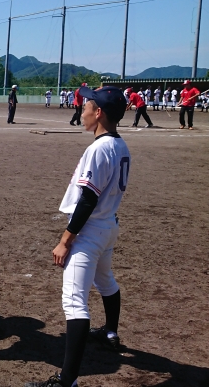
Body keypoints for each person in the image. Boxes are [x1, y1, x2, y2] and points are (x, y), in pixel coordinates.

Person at [25, 86, 130, 387]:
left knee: (74, 303)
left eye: (86, 106)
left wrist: (65, 240)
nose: (81, 111)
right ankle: (110, 332)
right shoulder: (121, 144)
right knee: (106, 280)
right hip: (108, 226)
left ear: (99, 113)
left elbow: (87, 200)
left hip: (90, 231)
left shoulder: (98, 149)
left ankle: (66, 381)